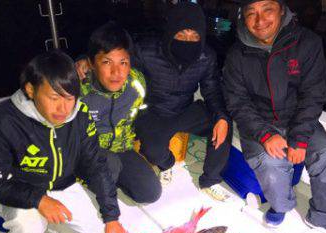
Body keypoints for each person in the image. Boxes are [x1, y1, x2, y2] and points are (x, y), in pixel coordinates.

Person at [0, 50, 129, 233]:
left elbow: (96, 164)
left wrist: (112, 215)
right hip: (20, 191)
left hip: (63, 185)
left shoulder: (79, 113)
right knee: (25, 224)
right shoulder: (1, 121)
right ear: (31, 90)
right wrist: (39, 200)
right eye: (54, 97)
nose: (63, 108)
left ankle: (56, 227)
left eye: (70, 98)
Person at [88, 3, 232, 202]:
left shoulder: (206, 56)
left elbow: (212, 90)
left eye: (194, 36)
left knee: (222, 123)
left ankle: (210, 180)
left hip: (186, 109)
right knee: (153, 149)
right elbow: (115, 57)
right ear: (170, 32)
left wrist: (222, 117)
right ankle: (168, 164)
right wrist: (83, 62)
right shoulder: (146, 50)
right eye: (181, 35)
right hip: (154, 111)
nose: (188, 41)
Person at [223, 0, 326, 229]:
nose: (260, 21)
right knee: (270, 163)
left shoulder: (307, 43)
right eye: (252, 13)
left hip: (298, 119)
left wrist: (299, 138)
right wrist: (265, 135)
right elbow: (237, 102)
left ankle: (325, 217)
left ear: (281, 10)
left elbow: (313, 94)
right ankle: (280, 206)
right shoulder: (236, 54)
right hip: (258, 123)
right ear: (243, 17)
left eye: (267, 9)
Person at [78, 22, 162, 204]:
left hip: (122, 147)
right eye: (107, 62)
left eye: (123, 62)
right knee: (110, 167)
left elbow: (143, 113)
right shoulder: (78, 90)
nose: (116, 72)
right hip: (87, 152)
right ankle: (92, 182)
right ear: (91, 63)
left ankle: (112, 179)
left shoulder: (136, 83)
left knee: (151, 193)